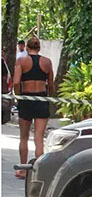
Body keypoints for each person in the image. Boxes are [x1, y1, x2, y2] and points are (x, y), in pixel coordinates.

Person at [13, 37, 53, 179]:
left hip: (26, 99)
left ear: (27, 48)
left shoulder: (21, 61)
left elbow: (16, 82)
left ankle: (22, 170)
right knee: (39, 138)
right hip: (41, 99)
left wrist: (18, 96)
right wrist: (49, 96)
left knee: (24, 137)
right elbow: (51, 85)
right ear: (39, 48)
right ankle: (39, 172)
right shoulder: (47, 62)